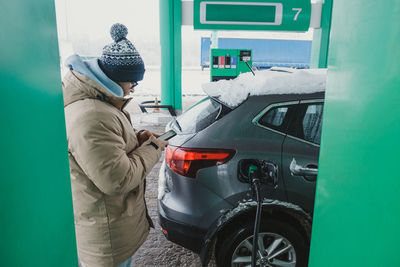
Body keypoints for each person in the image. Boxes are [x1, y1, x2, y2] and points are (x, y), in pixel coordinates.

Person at [62, 23, 168, 267]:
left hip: (109, 225)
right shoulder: (92, 115)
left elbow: (110, 146)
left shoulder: (99, 103)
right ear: (117, 78)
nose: (134, 88)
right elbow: (117, 179)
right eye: (133, 82)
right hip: (106, 235)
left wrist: (138, 138)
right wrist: (151, 148)